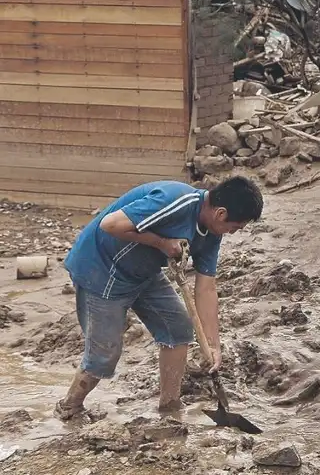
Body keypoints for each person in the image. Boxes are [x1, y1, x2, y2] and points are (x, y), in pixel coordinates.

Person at [55, 176, 264, 420]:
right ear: (220, 213)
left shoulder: (211, 235)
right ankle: (69, 407)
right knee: (105, 354)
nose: (233, 233)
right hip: (101, 270)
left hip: (143, 273)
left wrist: (213, 344)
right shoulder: (175, 201)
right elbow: (110, 224)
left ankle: (170, 406)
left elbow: (206, 288)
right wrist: (161, 243)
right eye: (235, 227)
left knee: (178, 330)